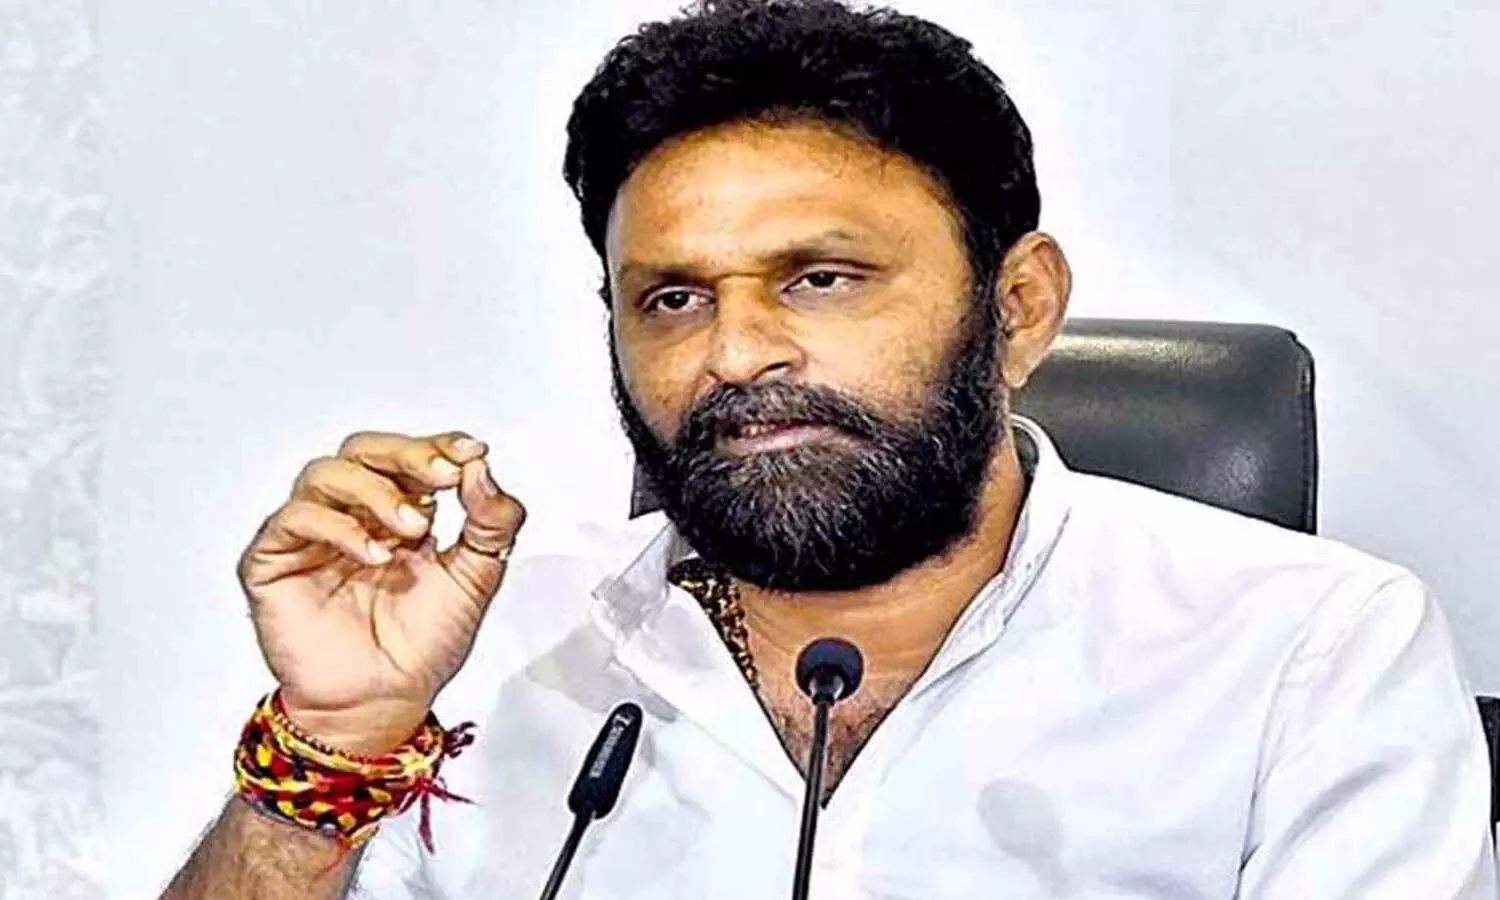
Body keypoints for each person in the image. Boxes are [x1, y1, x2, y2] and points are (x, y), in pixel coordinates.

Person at [160, 1, 1497, 897]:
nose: (736, 353)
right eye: (672, 299)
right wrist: (329, 748)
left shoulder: (1308, 654)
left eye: (820, 279)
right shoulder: (500, 645)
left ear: (1019, 307)